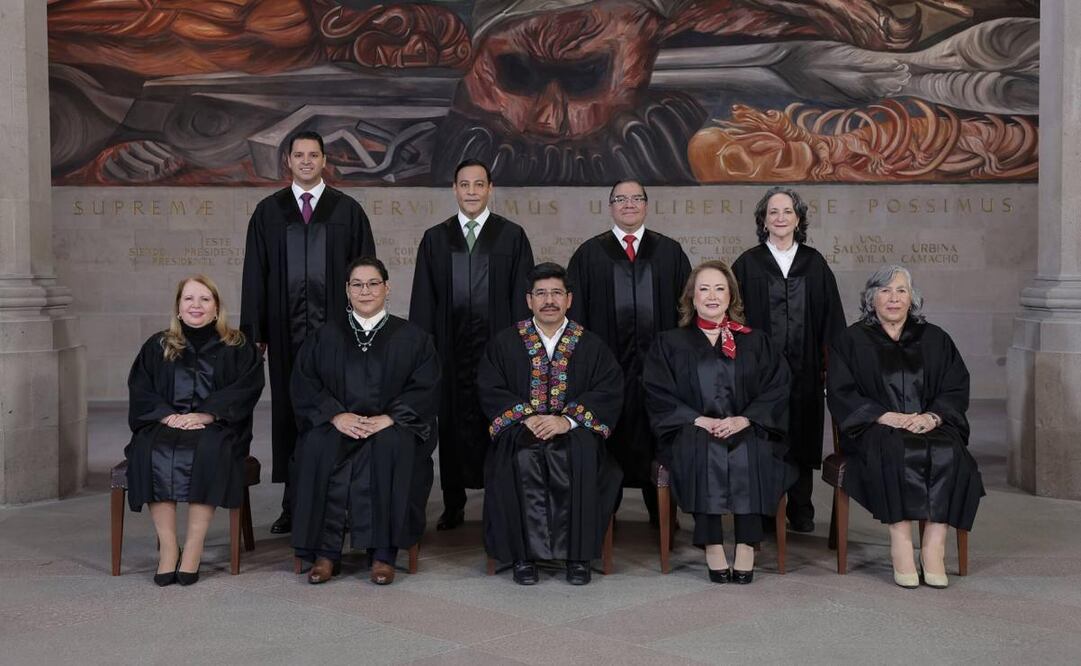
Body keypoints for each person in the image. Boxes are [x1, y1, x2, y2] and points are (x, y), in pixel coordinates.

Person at [240, 130, 376, 535]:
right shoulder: (269, 211)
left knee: (339, 409)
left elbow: (365, 274)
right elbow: (255, 276)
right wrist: (256, 331)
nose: (305, 161)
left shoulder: (347, 211)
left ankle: (343, 497)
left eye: (312, 155)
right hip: (285, 335)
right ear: (288, 161)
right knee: (290, 415)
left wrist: (362, 325)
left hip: (337, 335)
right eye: (298, 155)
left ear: (323, 160)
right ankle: (293, 503)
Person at [827, 266, 983, 589]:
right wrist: (885, 416)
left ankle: (933, 546)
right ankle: (900, 543)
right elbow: (842, 392)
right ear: (872, 299)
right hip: (875, 428)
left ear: (912, 298)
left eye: (901, 291)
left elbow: (955, 387)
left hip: (929, 423)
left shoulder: (935, 338)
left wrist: (933, 417)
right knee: (896, 448)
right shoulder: (852, 340)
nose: (893, 298)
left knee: (950, 450)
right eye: (885, 291)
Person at [289, 256, 440, 585]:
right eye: (357, 284)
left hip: (390, 426)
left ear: (387, 288)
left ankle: (383, 554)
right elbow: (304, 383)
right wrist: (335, 415)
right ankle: (325, 553)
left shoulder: (413, 337)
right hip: (338, 424)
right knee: (318, 445)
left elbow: (425, 388)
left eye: (373, 283)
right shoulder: (324, 336)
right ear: (347, 290)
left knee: (392, 447)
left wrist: (391, 417)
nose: (365, 290)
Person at [643, 261, 793, 584]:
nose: (712, 296)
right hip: (692, 430)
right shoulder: (670, 343)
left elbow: (777, 389)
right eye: (704, 289)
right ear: (691, 297)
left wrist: (745, 419)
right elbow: (658, 393)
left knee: (750, 446)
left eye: (720, 288)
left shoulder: (756, 342)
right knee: (704, 445)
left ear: (731, 297)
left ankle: (745, 543)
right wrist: (698, 420)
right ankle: (712, 542)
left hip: (746, 427)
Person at [477, 263, 624, 586]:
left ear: (569, 299)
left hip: (574, 431)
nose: (549, 301)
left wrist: (567, 420)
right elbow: (490, 387)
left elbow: (608, 390)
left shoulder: (590, 344)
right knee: (521, 457)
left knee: (581, 456)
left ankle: (578, 556)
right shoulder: (505, 342)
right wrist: (526, 417)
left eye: (556, 293)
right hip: (521, 430)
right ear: (529, 300)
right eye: (541, 293)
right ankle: (523, 556)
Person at [409, 158, 535, 530]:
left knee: (498, 421)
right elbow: (423, 299)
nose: (472, 192)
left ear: (490, 188)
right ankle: (454, 502)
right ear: (454, 189)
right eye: (465, 185)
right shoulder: (436, 238)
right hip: (449, 350)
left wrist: (517, 350)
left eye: (479, 185)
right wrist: (423, 351)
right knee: (450, 425)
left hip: (496, 351)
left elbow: (521, 297)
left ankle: (499, 498)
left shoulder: (511, 236)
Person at [125, 275, 265, 586]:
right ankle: (169, 547)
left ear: (217, 308)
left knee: (209, 449)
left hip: (218, 427)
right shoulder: (158, 344)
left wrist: (207, 415)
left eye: (204, 299)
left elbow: (245, 389)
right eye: (188, 299)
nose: (196, 305)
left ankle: (194, 547)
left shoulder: (237, 346)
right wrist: (164, 416)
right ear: (178, 307)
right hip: (166, 425)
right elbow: (141, 388)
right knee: (150, 448)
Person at [567, 180, 691, 526]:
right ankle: (607, 507)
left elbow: (686, 312)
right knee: (609, 434)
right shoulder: (590, 254)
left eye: (636, 198)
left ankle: (662, 509)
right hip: (608, 372)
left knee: (659, 431)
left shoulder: (669, 252)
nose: (629, 204)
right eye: (621, 199)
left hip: (659, 372)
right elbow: (575, 319)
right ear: (610, 207)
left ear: (646, 206)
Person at [732, 187, 845, 533]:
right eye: (773, 212)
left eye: (787, 212)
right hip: (760, 374)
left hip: (806, 370)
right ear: (763, 221)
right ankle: (765, 508)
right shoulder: (748, 263)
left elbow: (832, 321)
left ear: (798, 220)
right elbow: (734, 318)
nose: (780, 218)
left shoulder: (814, 264)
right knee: (764, 435)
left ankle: (801, 505)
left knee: (802, 435)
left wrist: (832, 370)